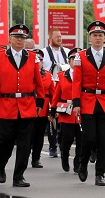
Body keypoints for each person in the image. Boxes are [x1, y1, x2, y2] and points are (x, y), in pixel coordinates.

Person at [0, 24, 45, 187]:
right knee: (5, 140)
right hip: (6, 105)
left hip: (27, 105)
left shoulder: (33, 57)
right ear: (10, 39)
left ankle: (19, 176)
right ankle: (1, 166)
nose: (19, 40)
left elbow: (38, 82)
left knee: (25, 144)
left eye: (22, 38)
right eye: (16, 37)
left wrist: (40, 101)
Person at [72, 21, 105, 186]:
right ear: (90, 38)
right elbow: (76, 82)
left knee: (104, 140)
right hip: (87, 101)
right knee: (89, 138)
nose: (98, 38)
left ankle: (100, 174)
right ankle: (83, 164)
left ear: (104, 38)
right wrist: (76, 103)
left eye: (101, 35)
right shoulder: (81, 56)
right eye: (95, 35)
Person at [50, 48, 83, 173]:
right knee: (67, 138)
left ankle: (77, 162)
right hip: (66, 112)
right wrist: (53, 110)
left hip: (81, 112)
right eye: (73, 59)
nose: (75, 61)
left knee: (81, 139)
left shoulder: (85, 76)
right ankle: (64, 157)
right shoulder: (62, 76)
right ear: (69, 61)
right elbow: (56, 94)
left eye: (77, 59)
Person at [42, 28, 70, 157]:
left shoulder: (67, 52)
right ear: (50, 38)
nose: (59, 39)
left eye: (60, 36)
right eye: (56, 37)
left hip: (64, 90)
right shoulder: (44, 53)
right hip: (50, 89)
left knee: (63, 118)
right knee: (51, 118)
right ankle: (52, 146)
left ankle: (61, 142)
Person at [30, 48, 55, 168]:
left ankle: (36, 158)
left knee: (39, 135)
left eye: (40, 60)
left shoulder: (48, 75)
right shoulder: (27, 73)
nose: (38, 62)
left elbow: (53, 94)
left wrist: (53, 109)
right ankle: (25, 155)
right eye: (36, 59)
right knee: (29, 134)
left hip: (43, 108)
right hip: (29, 107)